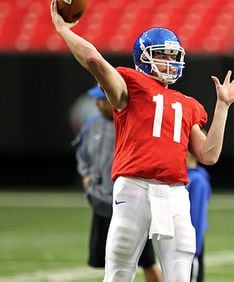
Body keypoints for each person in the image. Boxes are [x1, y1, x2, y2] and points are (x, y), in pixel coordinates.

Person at [50, 1, 234, 281]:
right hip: (133, 187)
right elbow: (94, 60)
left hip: (175, 192)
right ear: (143, 58)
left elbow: (209, 154)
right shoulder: (130, 85)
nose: (169, 62)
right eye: (162, 56)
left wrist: (222, 107)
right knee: (119, 271)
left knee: (181, 272)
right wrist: (62, 29)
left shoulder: (187, 104)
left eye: (173, 56)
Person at [74, 85, 161, 282]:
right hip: (101, 199)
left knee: (146, 259)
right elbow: (82, 153)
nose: (97, 103)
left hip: (129, 200)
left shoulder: (129, 122)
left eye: (102, 99)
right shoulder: (92, 125)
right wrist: (86, 176)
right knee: (109, 257)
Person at [186, 151, 212, 282]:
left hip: (190, 244)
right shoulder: (182, 177)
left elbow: (197, 218)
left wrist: (194, 250)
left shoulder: (197, 181)